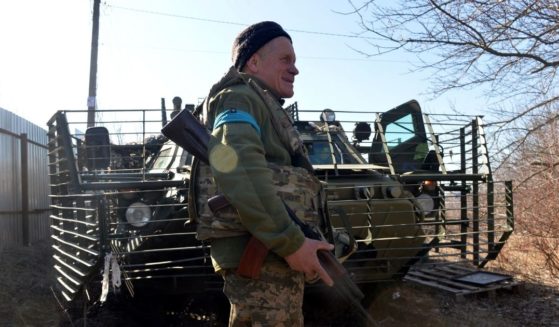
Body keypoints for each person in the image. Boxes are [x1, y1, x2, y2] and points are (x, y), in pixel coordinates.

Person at [191, 21, 334, 326]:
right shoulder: (239, 98)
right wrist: (291, 242)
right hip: (261, 254)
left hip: (271, 249)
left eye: (295, 62)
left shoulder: (261, 103)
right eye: (285, 60)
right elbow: (239, 167)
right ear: (253, 62)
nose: (295, 70)